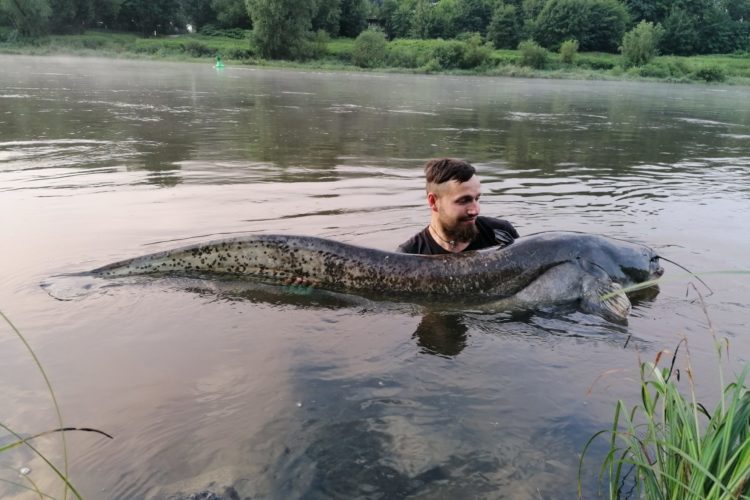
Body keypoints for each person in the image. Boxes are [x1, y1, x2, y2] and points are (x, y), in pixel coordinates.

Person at [397, 158, 518, 255]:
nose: (475, 210)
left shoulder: (502, 233)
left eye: (477, 199)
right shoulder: (409, 255)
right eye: (464, 201)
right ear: (433, 201)